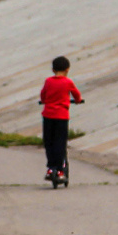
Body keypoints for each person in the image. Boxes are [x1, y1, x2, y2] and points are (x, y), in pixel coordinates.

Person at [37, 56, 83, 184]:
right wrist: (78, 101)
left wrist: (45, 101)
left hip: (48, 115)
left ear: (53, 69)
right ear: (67, 69)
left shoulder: (48, 81)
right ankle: (60, 171)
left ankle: (50, 169)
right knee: (60, 143)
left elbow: (43, 95)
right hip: (61, 117)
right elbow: (77, 95)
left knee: (49, 142)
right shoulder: (68, 82)